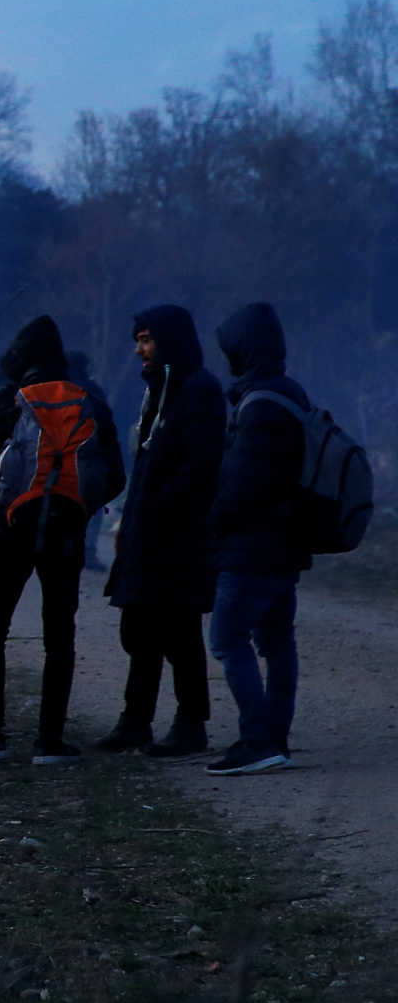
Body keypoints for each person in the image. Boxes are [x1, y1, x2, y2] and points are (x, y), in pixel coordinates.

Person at [0, 315, 123, 766]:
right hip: (66, 533)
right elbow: (114, 473)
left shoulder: (8, 400)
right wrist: (80, 508)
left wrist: (0, 502)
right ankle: (50, 742)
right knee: (59, 635)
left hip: (11, 530)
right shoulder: (90, 401)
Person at [94, 306, 224, 758]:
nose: (139, 349)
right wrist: (129, 521)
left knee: (179, 631)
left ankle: (192, 724)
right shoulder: (157, 392)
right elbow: (146, 466)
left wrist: (158, 515)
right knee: (140, 629)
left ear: (169, 340)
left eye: (147, 339)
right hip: (146, 535)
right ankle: (136, 721)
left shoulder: (199, 391)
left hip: (178, 539)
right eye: (138, 339)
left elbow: (200, 469)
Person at [205, 303, 312, 776]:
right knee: (276, 640)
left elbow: (242, 484)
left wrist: (212, 523)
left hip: (252, 547)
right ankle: (276, 737)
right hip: (284, 544)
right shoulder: (291, 395)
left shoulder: (261, 404)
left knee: (228, 638)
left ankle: (258, 738)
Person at [69, 350, 113, 570]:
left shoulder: (58, 390)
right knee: (91, 507)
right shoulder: (94, 391)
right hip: (91, 457)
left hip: (63, 457)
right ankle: (87, 551)